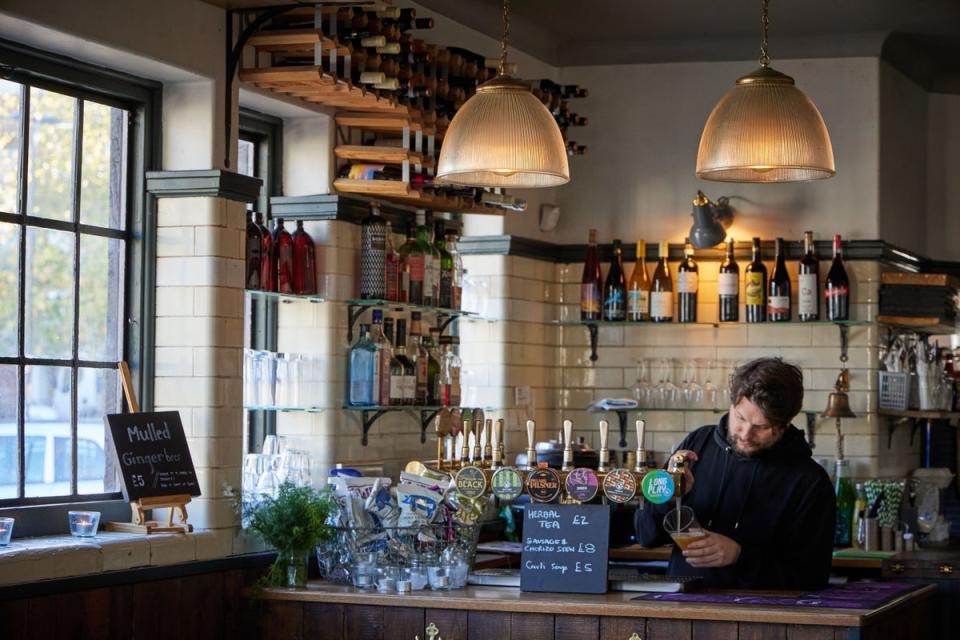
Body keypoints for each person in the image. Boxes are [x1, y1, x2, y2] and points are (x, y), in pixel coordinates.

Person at [635, 357, 836, 589]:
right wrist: (668, 498)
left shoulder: (810, 482)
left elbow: (811, 578)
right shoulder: (697, 444)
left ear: (785, 424)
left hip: (760, 620)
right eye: (740, 418)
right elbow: (646, 536)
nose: (745, 433)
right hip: (679, 608)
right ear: (732, 404)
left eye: (761, 427)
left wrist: (739, 556)